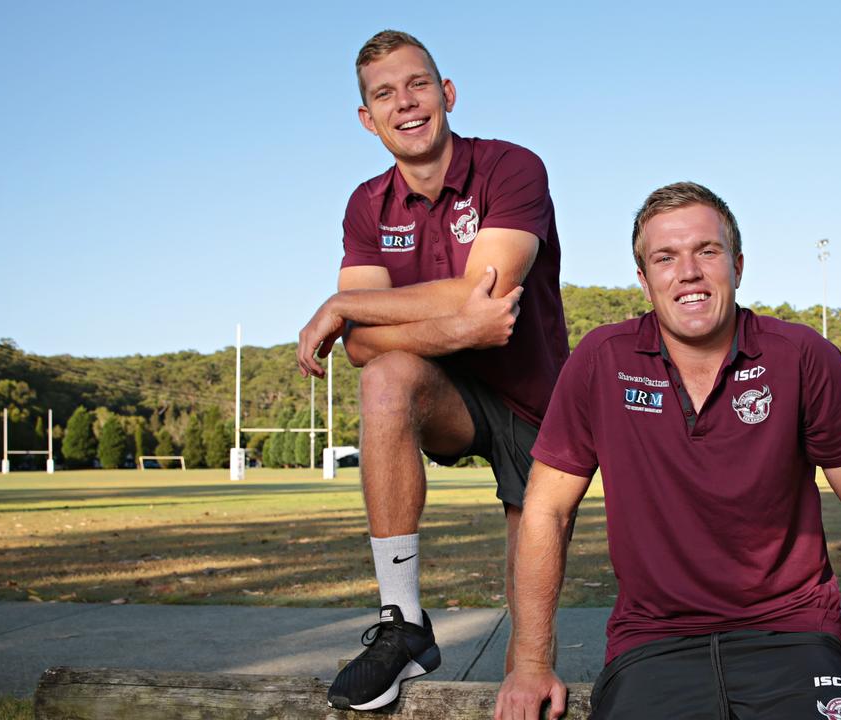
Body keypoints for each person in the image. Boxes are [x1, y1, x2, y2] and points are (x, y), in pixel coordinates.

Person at [495, 182, 841, 720]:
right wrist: (531, 664)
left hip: (793, 634)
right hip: (653, 641)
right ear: (644, 280)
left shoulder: (801, 357)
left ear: (737, 266)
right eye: (665, 258)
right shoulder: (600, 361)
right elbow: (546, 510)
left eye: (707, 251)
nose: (689, 272)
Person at [296, 29, 568, 712]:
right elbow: (363, 347)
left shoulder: (511, 166)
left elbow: (486, 292)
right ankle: (404, 624)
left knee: (528, 644)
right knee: (385, 377)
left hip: (532, 396)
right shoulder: (367, 204)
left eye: (418, 84)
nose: (405, 102)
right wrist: (456, 327)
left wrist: (343, 302)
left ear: (446, 94)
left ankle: (526, 671)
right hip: (446, 394)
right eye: (384, 93)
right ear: (368, 118)